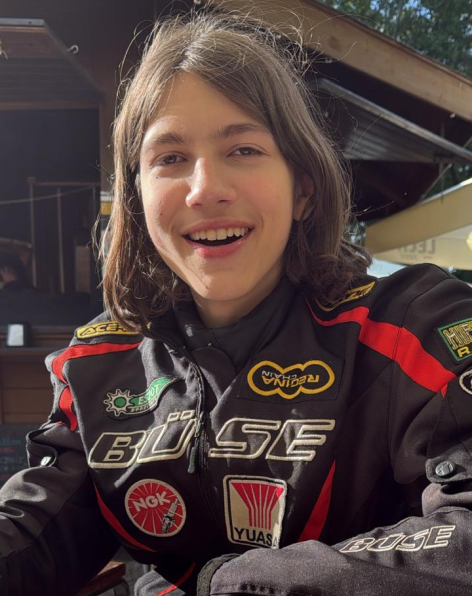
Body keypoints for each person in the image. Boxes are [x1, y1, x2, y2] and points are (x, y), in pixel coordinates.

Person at [1, 10, 472, 596]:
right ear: (137, 198)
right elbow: (37, 534)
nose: (205, 189)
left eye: (243, 149)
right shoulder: (99, 360)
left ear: (303, 189)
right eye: (170, 158)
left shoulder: (416, 325)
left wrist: (236, 584)